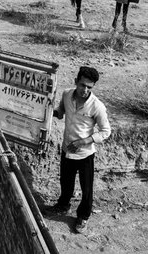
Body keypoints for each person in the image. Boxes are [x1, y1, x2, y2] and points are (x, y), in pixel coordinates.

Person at [48, 66, 111, 234]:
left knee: (87, 188)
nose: (85, 90)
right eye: (82, 85)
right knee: (66, 182)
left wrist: (84, 141)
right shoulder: (67, 95)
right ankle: (63, 206)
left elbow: (106, 131)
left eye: (89, 87)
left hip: (85, 154)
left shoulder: (97, 106)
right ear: (76, 82)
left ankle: (83, 217)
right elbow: (61, 112)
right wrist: (47, 110)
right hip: (67, 149)